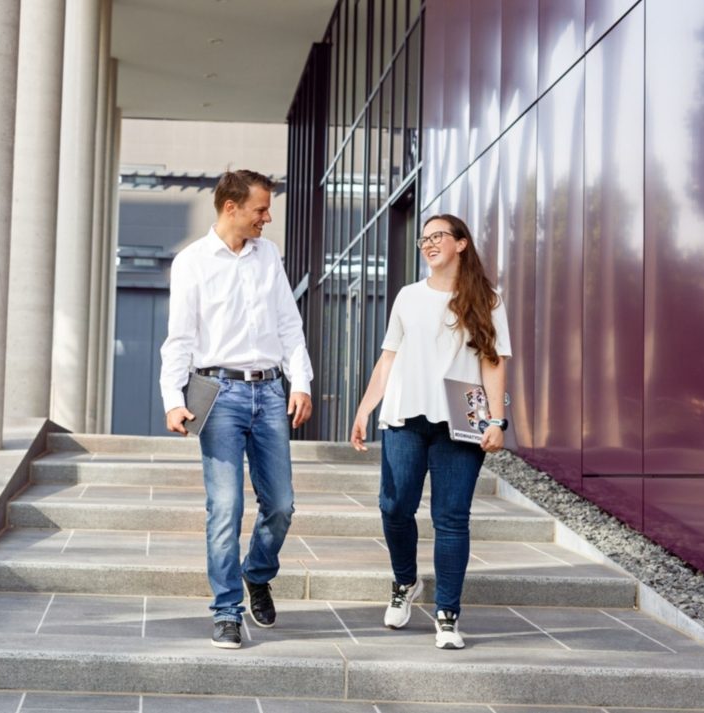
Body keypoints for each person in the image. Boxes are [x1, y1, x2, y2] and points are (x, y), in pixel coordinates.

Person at [160, 169, 313, 650]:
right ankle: (227, 610)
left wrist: (301, 382)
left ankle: (257, 573)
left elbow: (289, 325)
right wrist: (172, 400)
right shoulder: (192, 262)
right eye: (260, 209)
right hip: (218, 393)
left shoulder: (268, 256)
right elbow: (180, 338)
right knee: (225, 507)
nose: (267, 218)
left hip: (269, 393)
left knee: (282, 505)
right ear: (231, 208)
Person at [350, 213, 511, 650]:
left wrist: (496, 421)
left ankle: (447, 615)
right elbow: (388, 357)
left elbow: (493, 362)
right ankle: (405, 581)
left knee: (452, 518)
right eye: (424, 239)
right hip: (405, 413)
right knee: (396, 505)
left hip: (463, 413)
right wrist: (366, 408)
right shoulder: (408, 296)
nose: (428, 243)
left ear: (461, 244)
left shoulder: (487, 300)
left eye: (437, 236)